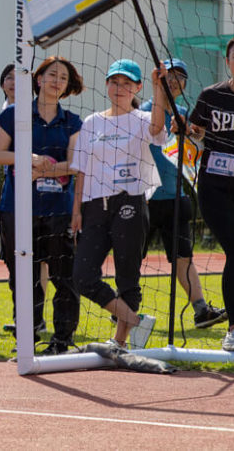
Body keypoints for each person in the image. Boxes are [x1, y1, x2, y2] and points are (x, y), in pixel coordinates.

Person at [71, 59, 167, 350]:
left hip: (130, 201)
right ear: (106, 85)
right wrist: (76, 210)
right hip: (94, 206)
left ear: (137, 88)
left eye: (126, 83)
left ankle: (120, 341)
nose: (119, 88)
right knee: (83, 276)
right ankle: (135, 321)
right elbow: (81, 170)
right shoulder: (91, 122)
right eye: (114, 81)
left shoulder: (142, 118)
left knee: (127, 276)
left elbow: (158, 131)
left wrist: (158, 88)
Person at [0, 56, 83, 354]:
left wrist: (45, 171)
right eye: (52, 75)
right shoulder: (14, 114)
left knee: (64, 277)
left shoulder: (72, 121)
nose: (57, 81)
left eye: (63, 78)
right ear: (39, 79)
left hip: (58, 209)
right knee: (23, 277)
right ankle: (26, 340)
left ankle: (62, 340)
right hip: (17, 209)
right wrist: (29, 159)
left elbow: (75, 164)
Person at [139, 58, 227, 329]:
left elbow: (196, 145)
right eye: (169, 75)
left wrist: (189, 131)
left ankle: (201, 311)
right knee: (132, 257)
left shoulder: (184, 113)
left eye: (180, 77)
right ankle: (123, 307)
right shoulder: (143, 112)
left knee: (183, 257)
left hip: (175, 197)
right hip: (143, 197)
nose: (174, 81)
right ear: (159, 79)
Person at [185, 34, 234, 351]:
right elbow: (196, 133)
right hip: (215, 187)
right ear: (227, 61)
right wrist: (186, 129)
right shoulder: (211, 96)